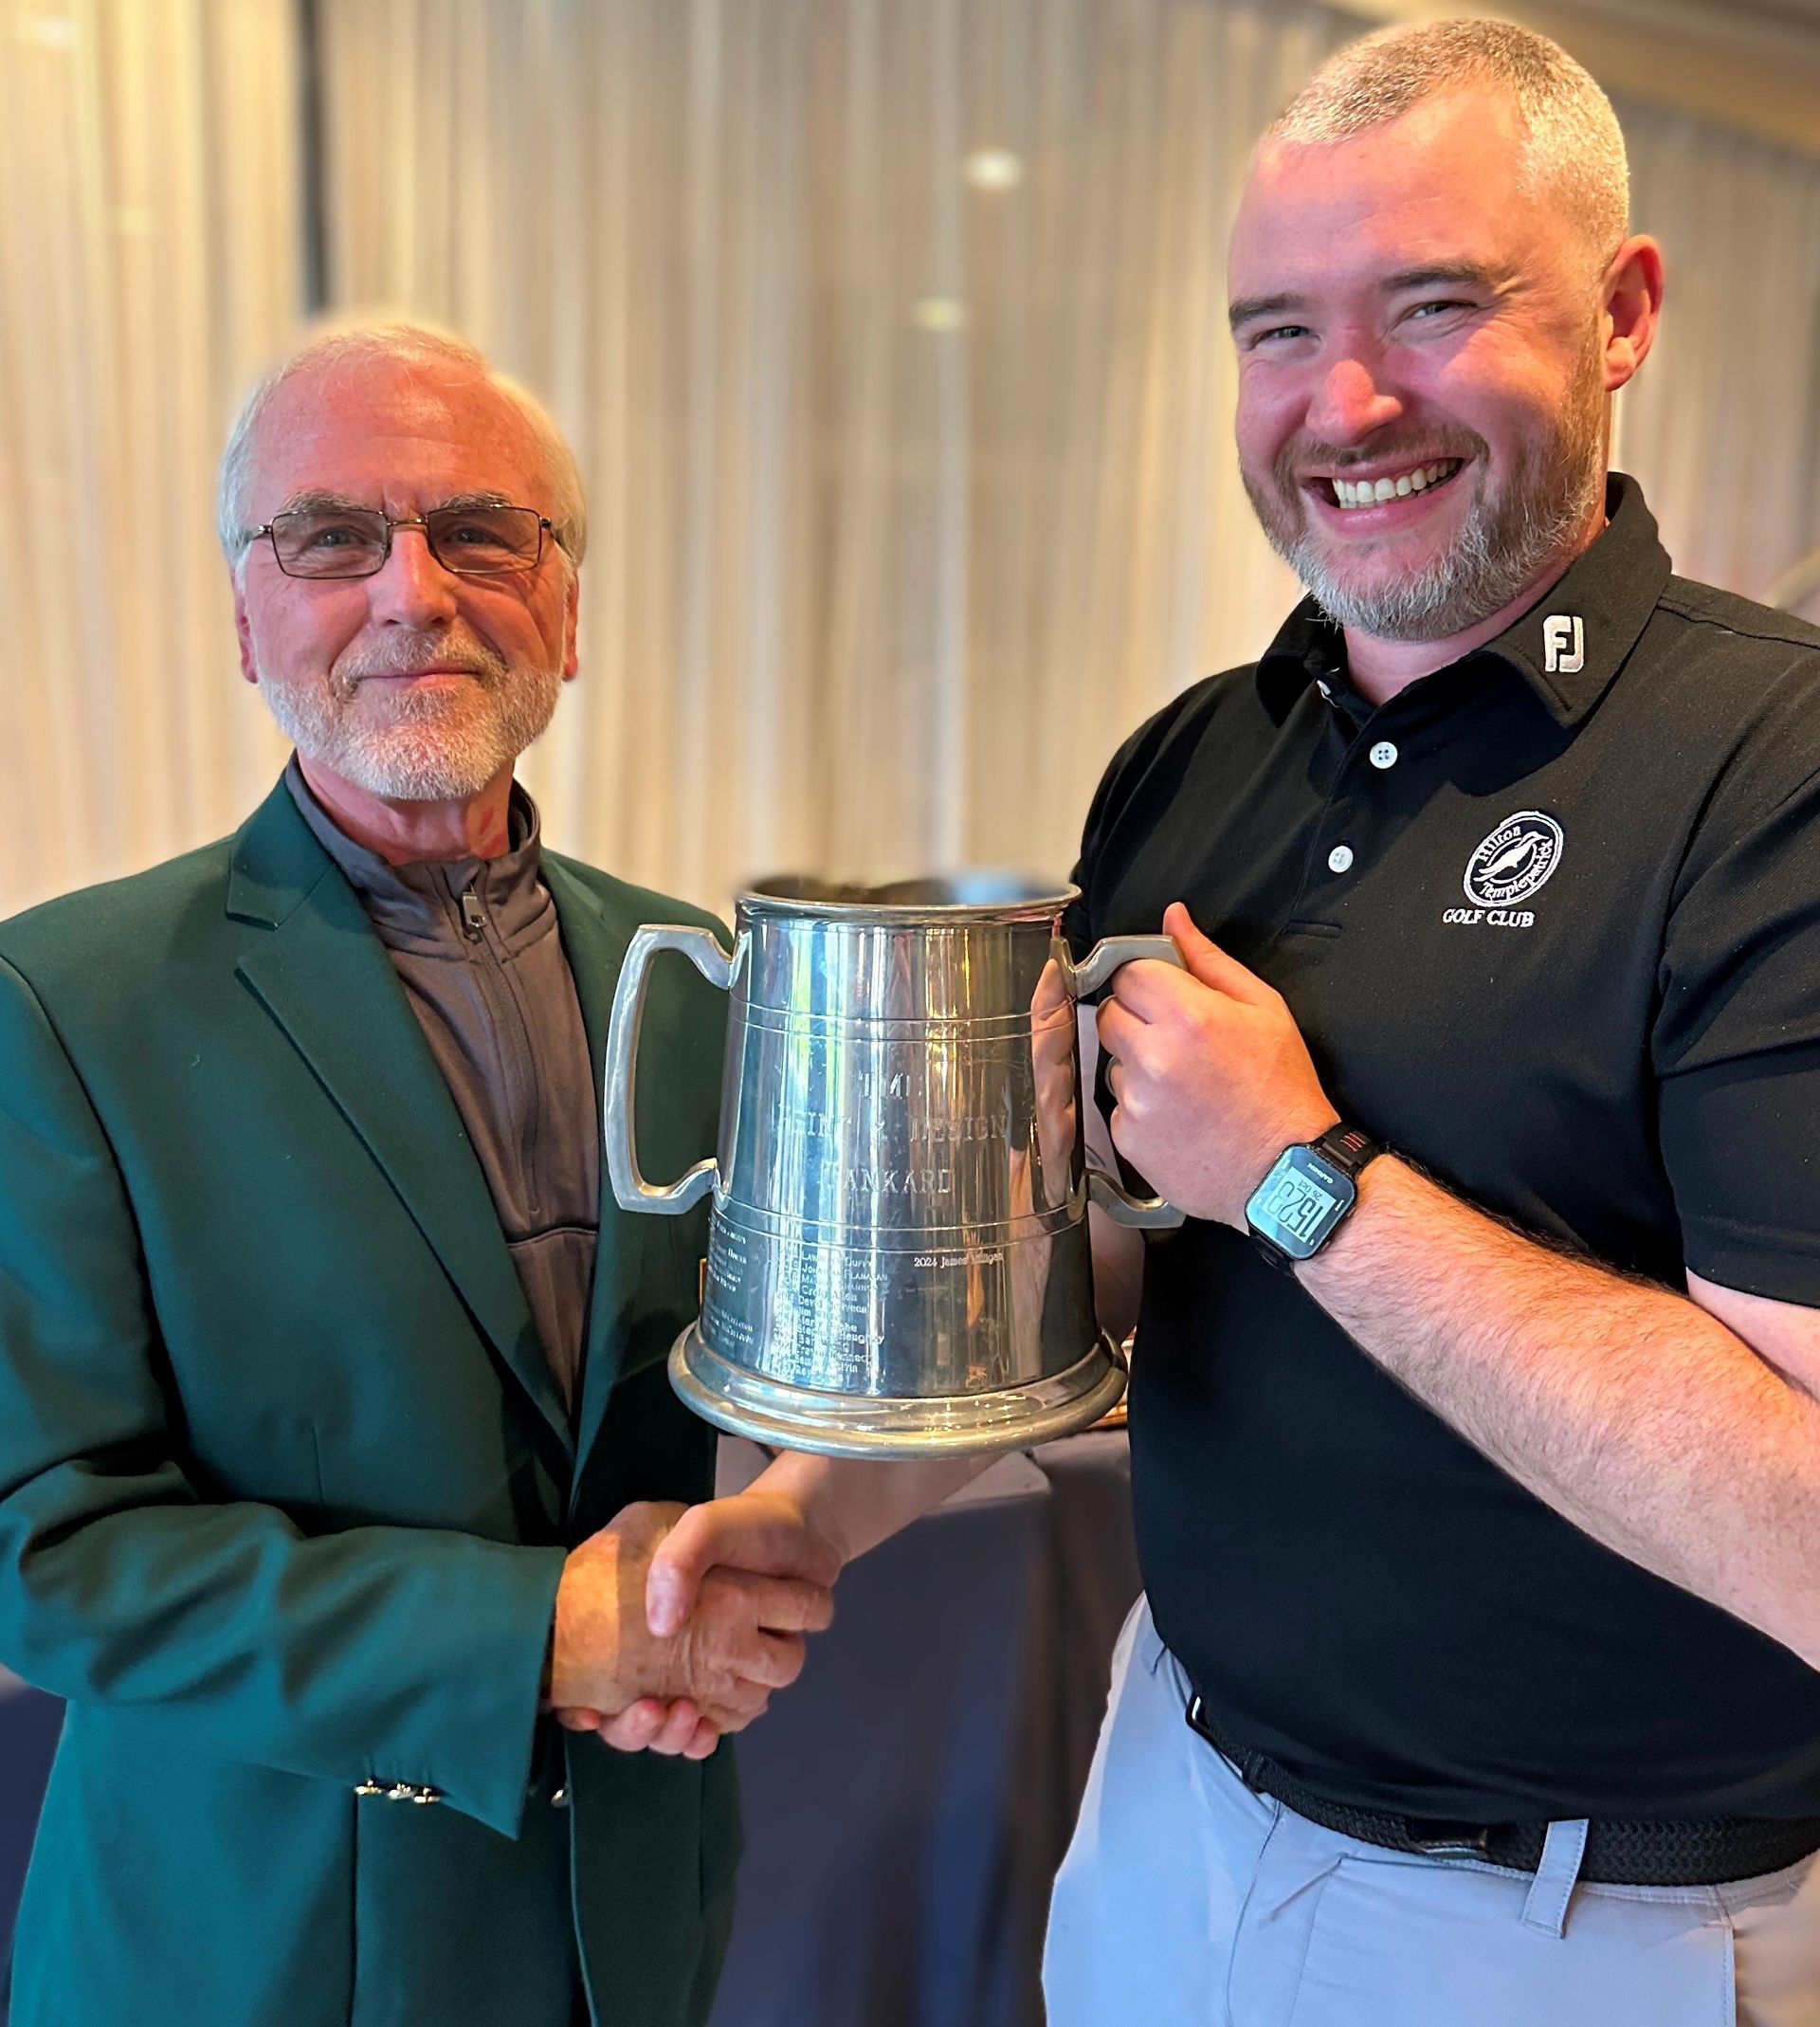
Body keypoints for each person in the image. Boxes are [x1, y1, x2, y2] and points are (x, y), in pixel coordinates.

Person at [631, 20, 1820, 2023]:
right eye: (1279, 331)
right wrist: (803, 1520)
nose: (1344, 404)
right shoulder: (1192, 761)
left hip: (1567, 1928)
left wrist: (1301, 1175)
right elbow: (1104, 1274)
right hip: (1168, 1797)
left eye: (1433, 306)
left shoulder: (1773, 767)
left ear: (1622, 314)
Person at [0, 323, 837, 2027]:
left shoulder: (699, 971)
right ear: (246, 618)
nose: (413, 592)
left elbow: (761, 1378)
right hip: (257, 1953)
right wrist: (538, 1632)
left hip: (633, 1911)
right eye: (333, 537)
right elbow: (44, 1548)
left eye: (481, 532)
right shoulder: (66, 1006)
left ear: (567, 609)